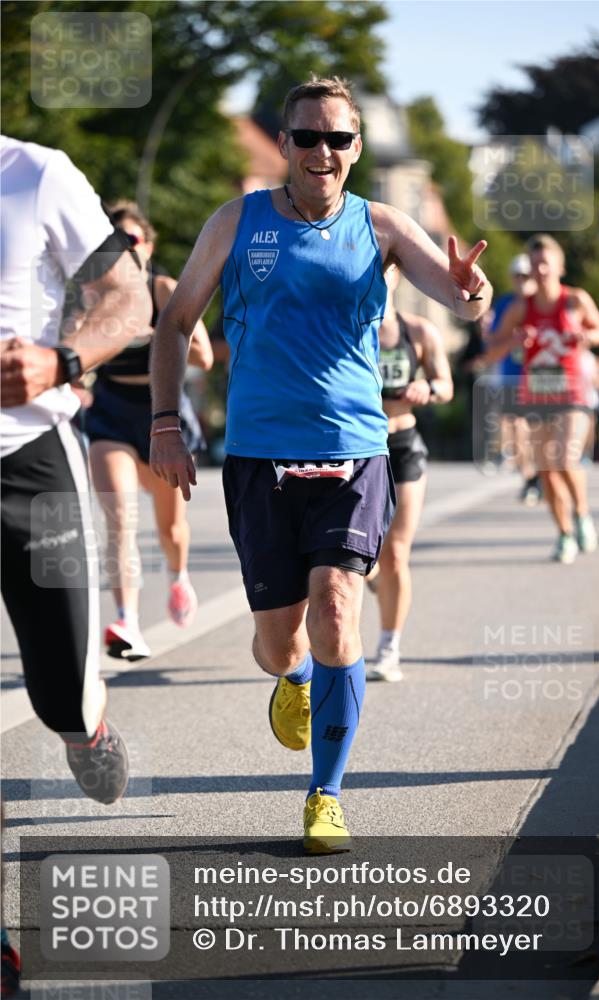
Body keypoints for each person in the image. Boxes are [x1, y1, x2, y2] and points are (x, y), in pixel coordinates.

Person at [149, 76, 491, 853]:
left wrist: (473, 292)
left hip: (354, 450)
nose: (322, 152)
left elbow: (459, 293)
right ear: (284, 143)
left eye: (338, 138)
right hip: (259, 455)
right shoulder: (238, 221)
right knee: (279, 642)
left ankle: (326, 794)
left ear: (356, 148)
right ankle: (293, 681)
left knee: (336, 606)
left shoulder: (381, 224)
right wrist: (166, 422)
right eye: (308, 137)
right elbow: (174, 323)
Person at [0, 136, 152, 797]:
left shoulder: (35, 174)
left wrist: (58, 362)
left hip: (27, 456)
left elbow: (128, 298)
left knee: (64, 687)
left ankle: (83, 728)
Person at [84, 202, 213, 660]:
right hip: (112, 414)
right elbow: (78, 365)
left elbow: (205, 358)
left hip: (164, 416)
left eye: (131, 240)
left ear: (149, 246)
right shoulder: (93, 296)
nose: (123, 249)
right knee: (120, 519)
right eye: (114, 242)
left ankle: (178, 578)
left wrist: (160, 330)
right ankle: (128, 623)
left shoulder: (165, 290)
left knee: (171, 528)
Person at [478, 234, 599, 564]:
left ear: (559, 267)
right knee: (547, 471)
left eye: (545, 264)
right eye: (534, 265)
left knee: (565, 459)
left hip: (571, 392)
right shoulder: (522, 307)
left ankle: (582, 515)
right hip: (535, 392)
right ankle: (564, 534)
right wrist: (515, 340)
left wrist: (585, 335)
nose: (539, 270)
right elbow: (493, 346)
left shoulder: (575, 300)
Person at [365, 263, 453, 682]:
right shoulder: (346, 328)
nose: (375, 276)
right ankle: (375, 576)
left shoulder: (418, 331)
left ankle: (388, 648)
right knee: (364, 560)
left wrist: (428, 389)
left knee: (396, 550)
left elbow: (446, 384)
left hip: (402, 445)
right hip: (358, 449)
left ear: (397, 274)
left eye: (383, 270)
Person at [488, 254, 540, 504]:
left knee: (539, 431)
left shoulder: (542, 303)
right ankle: (529, 477)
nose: (522, 280)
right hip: (511, 374)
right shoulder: (505, 303)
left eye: (526, 276)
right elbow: (493, 340)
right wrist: (514, 340)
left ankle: (541, 474)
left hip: (541, 377)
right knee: (517, 428)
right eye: (518, 276)